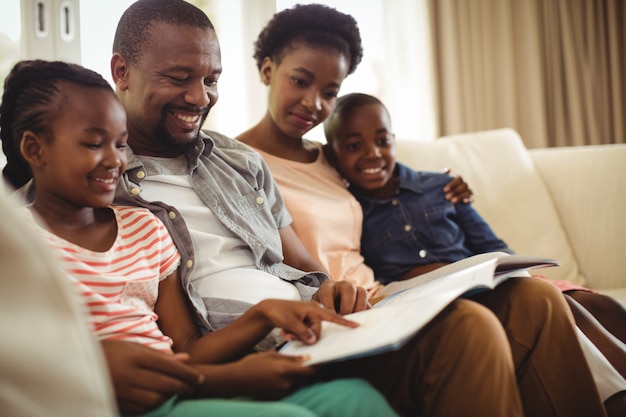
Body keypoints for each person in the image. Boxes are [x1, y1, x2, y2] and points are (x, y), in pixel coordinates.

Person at [23, 0, 602, 416]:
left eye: (212, 78)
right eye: (180, 78)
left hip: (314, 326)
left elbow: (305, 267)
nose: (201, 97)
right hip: (239, 350)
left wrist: (332, 289)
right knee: (471, 329)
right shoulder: (89, 176)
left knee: (531, 300)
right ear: (122, 71)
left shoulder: (238, 160)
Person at [235, 3, 611, 416]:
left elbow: (391, 178)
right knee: (479, 323)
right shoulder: (236, 164)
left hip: (385, 295)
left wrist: (446, 187)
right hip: (337, 312)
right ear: (268, 70)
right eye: (300, 81)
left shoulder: (332, 156)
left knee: (537, 297)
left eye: (329, 92)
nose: (314, 103)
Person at [0, 59, 400, 417]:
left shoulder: (145, 229)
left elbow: (186, 346)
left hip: (183, 385)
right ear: (35, 149)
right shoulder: (18, 244)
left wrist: (265, 315)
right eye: (92, 143)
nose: (115, 160)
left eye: (122, 144)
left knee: (356, 398)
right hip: (118, 399)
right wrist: (231, 379)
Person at [322, 91, 626, 416]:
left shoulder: (441, 186)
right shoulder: (350, 210)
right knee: (558, 310)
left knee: (596, 305)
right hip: (432, 302)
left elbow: (495, 248)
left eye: (382, 141)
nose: (373, 154)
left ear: (393, 140)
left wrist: (497, 268)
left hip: (488, 281)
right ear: (332, 153)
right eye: (354, 146)